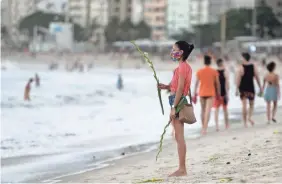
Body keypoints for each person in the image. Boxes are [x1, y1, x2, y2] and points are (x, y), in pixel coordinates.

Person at [158, 41, 194, 177]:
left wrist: (174, 108)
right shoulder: (181, 67)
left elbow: (180, 88)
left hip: (177, 102)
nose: (172, 52)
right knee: (177, 136)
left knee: (179, 137)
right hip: (176, 100)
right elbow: (175, 86)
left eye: (174, 49)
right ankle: (181, 168)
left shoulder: (183, 67)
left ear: (181, 52)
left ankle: (182, 169)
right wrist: (165, 87)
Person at [193, 55, 220, 135]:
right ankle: (205, 128)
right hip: (211, 93)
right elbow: (217, 84)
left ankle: (203, 127)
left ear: (204, 62)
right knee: (208, 111)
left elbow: (196, 84)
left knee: (203, 110)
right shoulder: (214, 71)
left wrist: (194, 94)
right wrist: (218, 93)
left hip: (201, 93)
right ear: (210, 62)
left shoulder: (199, 71)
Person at [236, 53, 263, 127]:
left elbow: (238, 79)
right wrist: (260, 87)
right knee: (251, 105)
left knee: (244, 105)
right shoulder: (253, 66)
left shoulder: (241, 67)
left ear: (244, 58)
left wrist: (236, 89)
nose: (241, 59)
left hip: (243, 88)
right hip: (250, 87)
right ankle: (249, 117)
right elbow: (257, 77)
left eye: (242, 58)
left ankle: (245, 123)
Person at [213, 59, 230, 131]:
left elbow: (214, 84)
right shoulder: (225, 71)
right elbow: (227, 84)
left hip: (216, 94)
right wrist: (227, 94)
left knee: (216, 110)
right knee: (225, 110)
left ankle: (217, 126)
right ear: (221, 63)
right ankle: (226, 125)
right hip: (223, 93)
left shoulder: (215, 72)